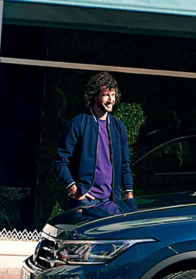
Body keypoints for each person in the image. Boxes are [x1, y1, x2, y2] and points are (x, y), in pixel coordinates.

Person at [52, 72, 134, 210]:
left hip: (112, 202)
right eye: (106, 95)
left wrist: (129, 196)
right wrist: (76, 191)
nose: (111, 100)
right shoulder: (79, 123)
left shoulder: (119, 127)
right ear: (94, 96)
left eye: (113, 95)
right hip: (86, 202)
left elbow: (125, 165)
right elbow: (60, 162)